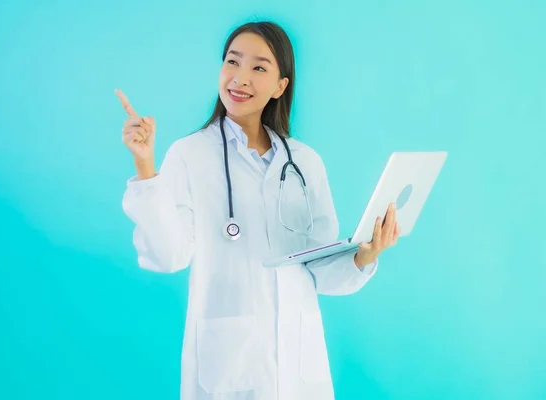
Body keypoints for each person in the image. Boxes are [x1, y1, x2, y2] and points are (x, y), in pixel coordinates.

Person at [117, 20, 399, 400]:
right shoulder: (189, 155)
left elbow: (320, 270)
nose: (240, 78)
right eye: (232, 62)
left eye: (259, 68)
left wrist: (366, 254)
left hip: (300, 370)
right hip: (228, 371)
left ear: (281, 85)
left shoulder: (304, 161)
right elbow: (169, 257)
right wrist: (145, 168)